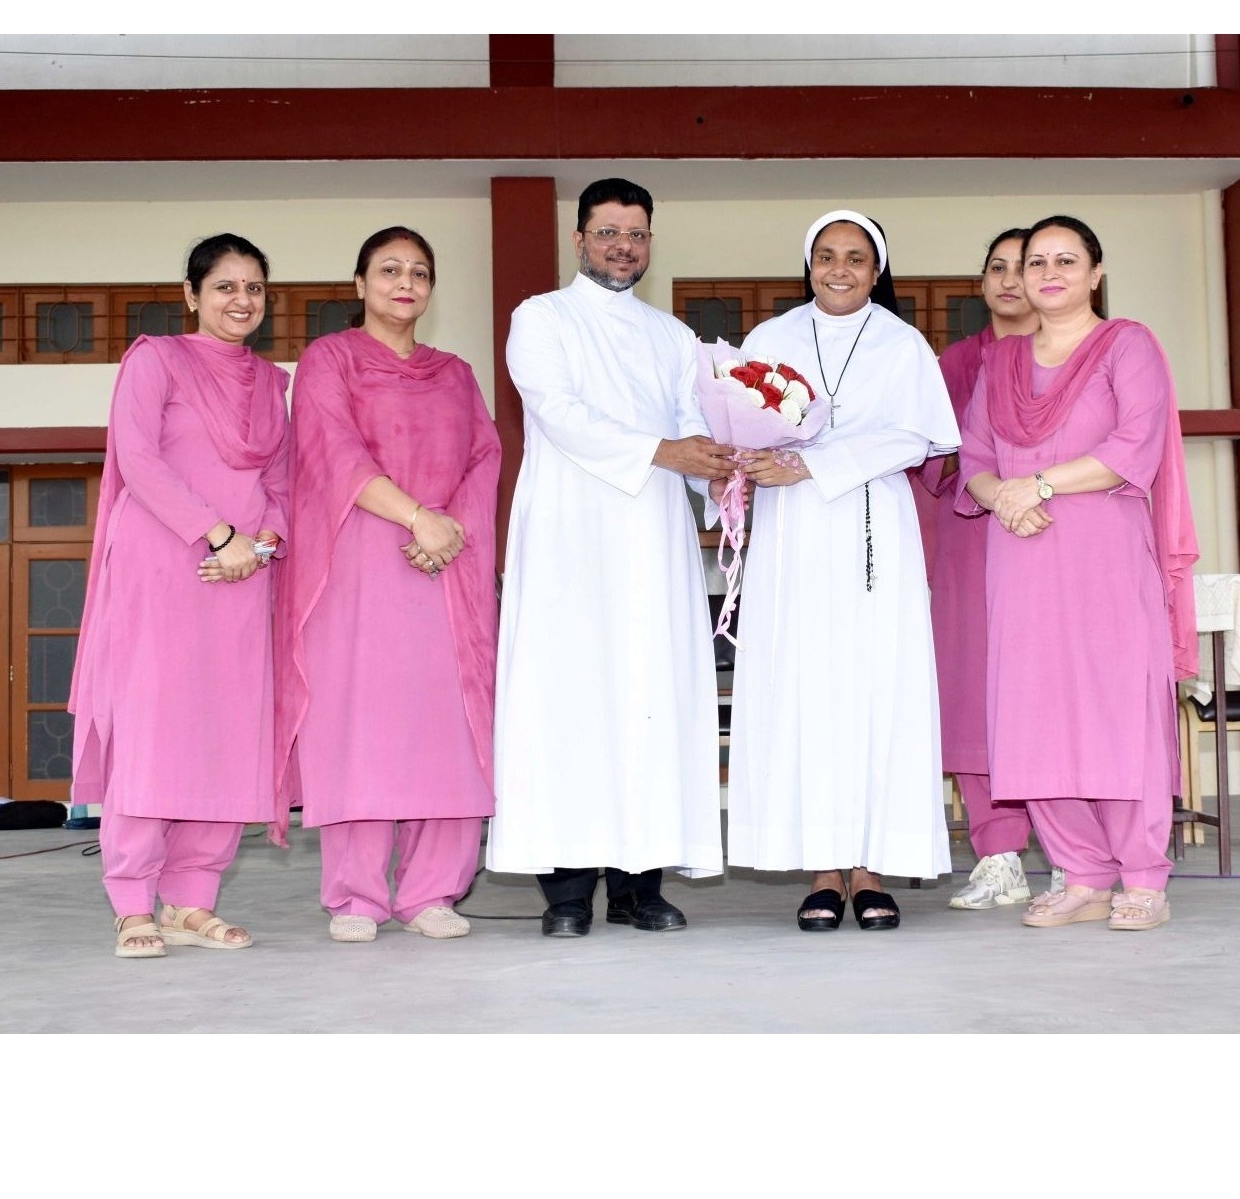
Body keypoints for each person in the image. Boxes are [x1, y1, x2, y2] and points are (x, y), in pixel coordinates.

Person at [487, 177, 737, 937]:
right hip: (568, 539)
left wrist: (722, 468)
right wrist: (664, 451)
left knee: (650, 698)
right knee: (568, 702)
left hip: (654, 542)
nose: (622, 246)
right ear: (579, 239)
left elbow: (693, 428)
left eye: (635, 233)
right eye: (607, 232)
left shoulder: (673, 336)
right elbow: (557, 412)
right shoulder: (542, 317)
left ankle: (640, 886)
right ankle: (566, 894)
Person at [958, 214, 1198, 932]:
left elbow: (1135, 443)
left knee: (1116, 708)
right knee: (1032, 712)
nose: (1048, 272)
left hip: (1103, 552)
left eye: (1066, 259)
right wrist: (1003, 496)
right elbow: (974, 459)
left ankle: (1143, 875)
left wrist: (1036, 484)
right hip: (1019, 552)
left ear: (1095, 272)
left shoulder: (1127, 344)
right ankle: (1084, 873)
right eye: (1035, 261)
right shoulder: (1001, 362)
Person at [726, 210, 960, 931]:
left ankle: (870, 868)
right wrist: (755, 460)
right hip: (792, 534)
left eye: (856, 258)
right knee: (804, 686)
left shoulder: (902, 342)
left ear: (876, 270)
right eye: (826, 255)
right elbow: (736, 421)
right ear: (809, 265)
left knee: (874, 686)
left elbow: (918, 436)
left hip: (872, 530)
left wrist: (815, 465)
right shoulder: (771, 339)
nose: (839, 269)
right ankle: (823, 870)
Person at [274, 227, 501, 942]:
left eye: (419, 272)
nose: (405, 283)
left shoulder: (455, 373)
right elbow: (331, 451)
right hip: (358, 562)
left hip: (445, 568)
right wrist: (416, 518)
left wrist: (449, 531)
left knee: (448, 723)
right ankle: (357, 896)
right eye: (390, 270)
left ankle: (433, 890)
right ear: (360, 283)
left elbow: (484, 458)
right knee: (359, 722)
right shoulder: (329, 359)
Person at [68, 233, 291, 957]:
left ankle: (191, 901)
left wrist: (261, 545)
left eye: (253, 287)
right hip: (165, 566)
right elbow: (137, 457)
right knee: (154, 729)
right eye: (225, 286)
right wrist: (218, 533)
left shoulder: (272, 383)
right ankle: (133, 903)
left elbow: (282, 483)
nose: (241, 300)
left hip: (241, 577)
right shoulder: (155, 360)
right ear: (192, 295)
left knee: (227, 732)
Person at [913, 228, 1067, 909]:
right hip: (972, 534)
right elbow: (928, 456)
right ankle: (998, 856)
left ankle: (1071, 854)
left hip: (1055, 533)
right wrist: (984, 469)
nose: (1009, 280)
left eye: (1022, 266)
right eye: (996, 268)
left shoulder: (1080, 353)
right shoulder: (954, 362)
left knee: (1053, 691)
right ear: (981, 283)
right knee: (976, 693)